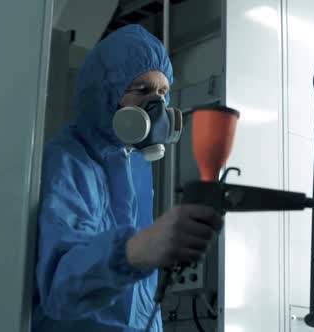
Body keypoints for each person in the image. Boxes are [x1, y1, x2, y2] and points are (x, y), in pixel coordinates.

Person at [32, 24, 223, 332]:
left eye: (162, 92)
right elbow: (60, 287)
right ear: (104, 93)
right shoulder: (68, 161)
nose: (157, 105)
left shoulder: (134, 164)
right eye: (142, 90)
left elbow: (136, 300)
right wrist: (135, 251)